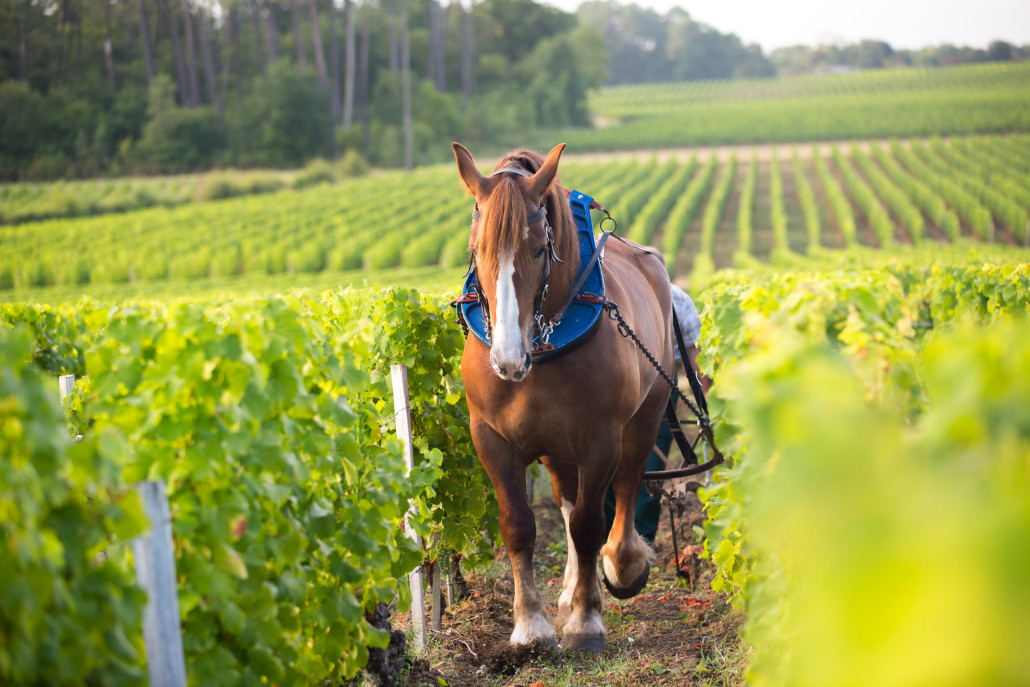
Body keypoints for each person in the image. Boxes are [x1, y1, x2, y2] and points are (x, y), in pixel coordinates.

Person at [604, 284, 709, 544]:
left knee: (642, 459)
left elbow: (693, 351)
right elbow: (693, 352)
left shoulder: (675, 298)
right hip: (621, 380)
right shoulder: (676, 297)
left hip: (655, 382)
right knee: (617, 456)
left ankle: (635, 537)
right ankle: (619, 534)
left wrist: (706, 398)